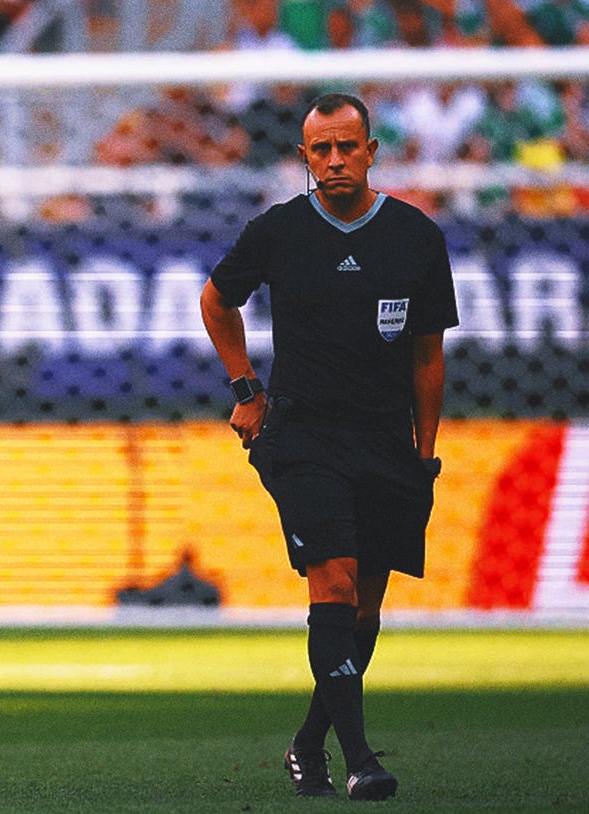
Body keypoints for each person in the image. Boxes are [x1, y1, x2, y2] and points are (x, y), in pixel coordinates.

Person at [199, 93, 458, 802]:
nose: (336, 160)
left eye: (348, 146)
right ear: (305, 158)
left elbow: (428, 355)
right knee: (334, 583)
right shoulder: (279, 231)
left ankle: (309, 742)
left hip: (385, 439)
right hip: (304, 435)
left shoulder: (415, 236)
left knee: (363, 613)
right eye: (322, 150)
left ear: (373, 152)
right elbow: (217, 300)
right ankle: (361, 760)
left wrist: (425, 453)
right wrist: (247, 389)